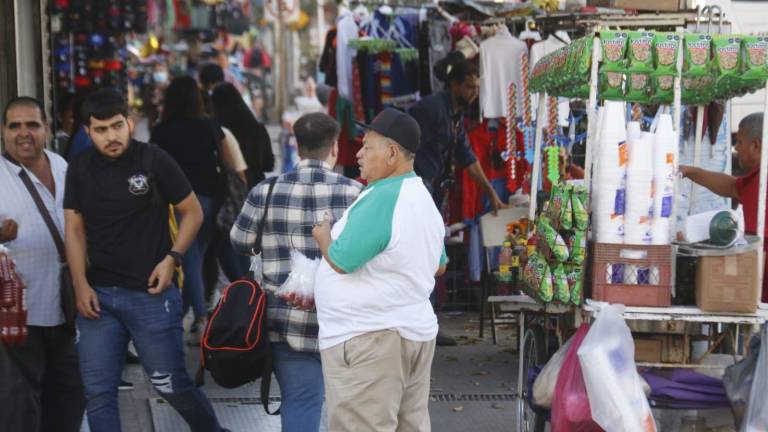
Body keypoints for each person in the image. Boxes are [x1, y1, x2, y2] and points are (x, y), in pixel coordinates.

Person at [63, 89, 226, 432]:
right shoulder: (78, 168)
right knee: (98, 393)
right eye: (101, 129)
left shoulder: (154, 160)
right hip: (99, 298)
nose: (111, 136)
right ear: (87, 133)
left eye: (117, 126)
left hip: (151, 294)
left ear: (131, 124)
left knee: (171, 384)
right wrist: (79, 285)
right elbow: (74, 231)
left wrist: (173, 258)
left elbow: (192, 212)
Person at [312, 109, 446, 432]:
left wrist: (323, 236)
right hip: (409, 333)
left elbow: (343, 260)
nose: (358, 153)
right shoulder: (421, 196)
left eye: (367, 147)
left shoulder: (383, 197)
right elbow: (439, 266)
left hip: (371, 340)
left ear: (391, 153)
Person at [231, 112, 362, 432]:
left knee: (300, 401)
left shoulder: (266, 191)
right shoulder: (355, 194)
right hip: (343, 322)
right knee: (353, 408)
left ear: (297, 146)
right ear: (334, 147)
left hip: (283, 322)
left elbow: (239, 240)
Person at [0, 96, 85, 432]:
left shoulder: (63, 166)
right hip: (19, 315)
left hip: (69, 308)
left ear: (46, 128)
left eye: (32, 124)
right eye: (15, 125)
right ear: (3, 132)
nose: (24, 133)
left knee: (67, 399)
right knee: (20, 407)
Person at [408, 57, 506, 346]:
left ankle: (426, 324)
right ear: (452, 85)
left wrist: (490, 193)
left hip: (432, 190)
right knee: (422, 257)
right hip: (418, 188)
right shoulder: (431, 109)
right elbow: (402, 141)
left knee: (429, 258)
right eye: (468, 87)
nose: (473, 92)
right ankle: (420, 324)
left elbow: (467, 157)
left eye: (476, 87)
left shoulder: (455, 116)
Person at [151, 76, 225, 336]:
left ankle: (201, 317)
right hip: (208, 198)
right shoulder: (209, 126)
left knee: (190, 258)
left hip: (177, 202)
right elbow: (224, 161)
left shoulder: (162, 130)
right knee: (198, 255)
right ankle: (189, 312)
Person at [680, 112, 767, 301]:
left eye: (740, 143)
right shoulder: (755, 179)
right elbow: (731, 186)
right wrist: (691, 171)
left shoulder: (763, 182)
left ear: (756, 145)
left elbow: (758, 244)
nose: (736, 148)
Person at [211, 82, 275, 187]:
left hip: (224, 190)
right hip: (256, 187)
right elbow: (268, 165)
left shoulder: (215, 130)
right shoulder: (257, 129)